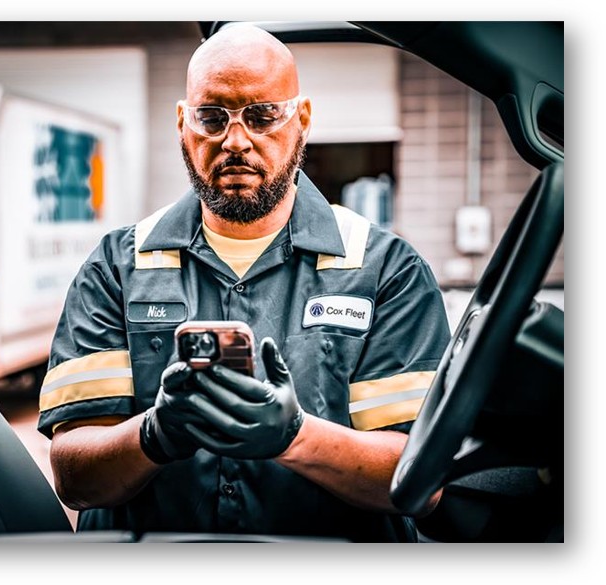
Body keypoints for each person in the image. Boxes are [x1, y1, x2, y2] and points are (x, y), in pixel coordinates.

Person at [37, 24, 451, 542]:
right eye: (212, 117)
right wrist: (154, 435)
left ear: (302, 120)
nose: (236, 141)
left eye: (262, 115)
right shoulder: (117, 268)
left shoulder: (385, 269)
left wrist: (296, 437)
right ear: (183, 123)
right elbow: (73, 477)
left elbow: (419, 482)